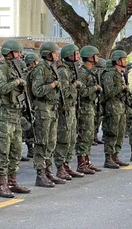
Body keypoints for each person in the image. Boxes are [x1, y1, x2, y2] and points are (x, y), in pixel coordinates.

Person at [0, 40, 31, 198]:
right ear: (9, 53)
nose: (20, 55)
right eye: (17, 52)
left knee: (16, 149)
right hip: (4, 114)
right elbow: (1, 89)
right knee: (3, 150)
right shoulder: (1, 68)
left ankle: (12, 182)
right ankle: (2, 184)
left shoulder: (17, 68)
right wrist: (16, 82)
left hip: (16, 113)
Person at [30, 42, 65, 187]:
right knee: (42, 142)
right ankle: (40, 173)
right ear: (48, 54)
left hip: (52, 108)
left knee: (51, 142)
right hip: (42, 109)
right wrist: (52, 85)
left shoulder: (52, 68)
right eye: (55, 52)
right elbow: (36, 90)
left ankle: (48, 171)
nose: (57, 55)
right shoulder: (40, 69)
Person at [54, 44, 83, 180]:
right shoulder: (63, 71)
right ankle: (60, 167)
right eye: (75, 54)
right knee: (63, 139)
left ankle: (67, 165)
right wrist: (74, 86)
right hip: (64, 109)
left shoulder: (72, 70)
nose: (77, 57)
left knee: (72, 138)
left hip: (72, 108)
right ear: (69, 56)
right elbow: (64, 93)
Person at [76, 46, 102, 174]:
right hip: (84, 108)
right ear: (89, 57)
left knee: (89, 135)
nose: (97, 57)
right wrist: (95, 88)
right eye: (95, 55)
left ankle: (87, 160)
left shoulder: (91, 72)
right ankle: (81, 163)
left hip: (90, 107)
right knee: (84, 135)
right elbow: (81, 92)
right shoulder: (82, 73)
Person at [101, 50, 129, 169]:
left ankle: (115, 156)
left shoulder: (120, 74)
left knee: (120, 133)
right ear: (117, 61)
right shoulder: (109, 74)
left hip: (121, 106)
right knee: (111, 133)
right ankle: (108, 158)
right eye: (123, 59)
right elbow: (109, 92)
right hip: (112, 107)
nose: (125, 61)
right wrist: (121, 87)